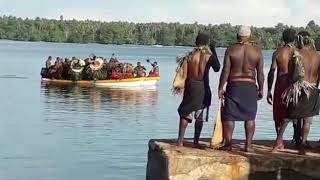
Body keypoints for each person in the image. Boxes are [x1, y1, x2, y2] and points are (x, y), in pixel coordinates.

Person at [273, 31, 320, 154]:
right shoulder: (318, 56)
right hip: (313, 89)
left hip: (300, 88)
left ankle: (278, 141)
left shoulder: (298, 54)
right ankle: (303, 145)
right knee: (307, 120)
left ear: (300, 41)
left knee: (288, 116)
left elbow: (293, 74)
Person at [218, 26, 264, 152]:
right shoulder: (257, 51)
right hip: (250, 86)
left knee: (229, 116)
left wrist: (220, 87)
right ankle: (248, 146)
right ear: (250, 36)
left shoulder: (231, 49)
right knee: (250, 117)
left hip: (234, 85)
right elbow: (260, 73)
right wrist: (261, 89)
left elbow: (225, 70)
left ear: (237, 36)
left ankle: (228, 144)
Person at [177, 33, 220, 147]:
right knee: (200, 115)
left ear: (196, 43)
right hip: (203, 87)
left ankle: (180, 140)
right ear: (207, 43)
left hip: (190, 86)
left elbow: (183, 75)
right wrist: (214, 49)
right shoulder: (208, 56)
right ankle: (195, 142)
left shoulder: (188, 56)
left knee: (185, 112)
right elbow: (217, 68)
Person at [267, 29, 297, 139]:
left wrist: (269, 90)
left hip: (281, 84)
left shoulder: (278, 52)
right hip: (295, 84)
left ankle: (279, 139)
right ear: (294, 38)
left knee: (278, 112)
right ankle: (297, 139)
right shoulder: (298, 52)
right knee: (294, 110)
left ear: (283, 38)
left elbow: (272, 71)